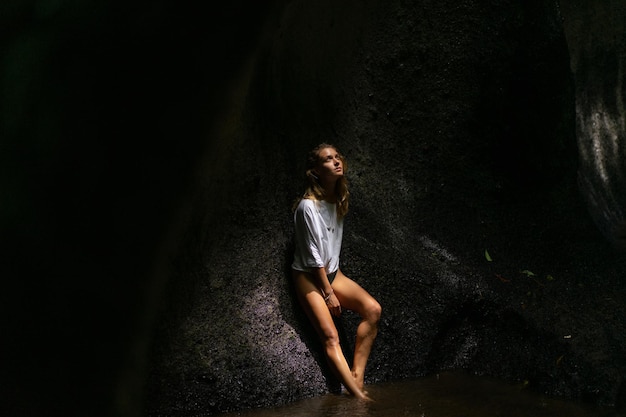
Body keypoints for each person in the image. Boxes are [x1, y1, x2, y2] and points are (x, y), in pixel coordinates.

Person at [292, 143, 381, 400]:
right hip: (309, 277)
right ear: (316, 171)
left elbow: (330, 253)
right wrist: (328, 293)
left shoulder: (339, 199)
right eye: (328, 160)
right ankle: (359, 399)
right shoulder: (307, 207)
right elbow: (313, 258)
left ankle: (357, 378)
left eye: (337, 157)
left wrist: (333, 283)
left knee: (373, 310)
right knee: (331, 337)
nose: (336, 162)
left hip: (333, 273)